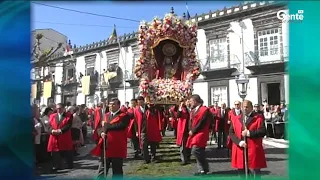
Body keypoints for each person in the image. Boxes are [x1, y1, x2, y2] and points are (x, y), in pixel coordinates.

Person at [91, 98, 130, 179]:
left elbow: (120, 126)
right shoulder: (106, 115)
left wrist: (106, 125)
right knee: (102, 169)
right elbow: (99, 128)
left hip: (117, 146)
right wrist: (101, 133)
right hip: (105, 146)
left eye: (113, 104)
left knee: (117, 170)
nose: (111, 106)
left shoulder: (124, 115)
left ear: (118, 105)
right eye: (110, 104)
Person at [229, 100, 267, 179]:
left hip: (253, 149)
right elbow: (231, 132)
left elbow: (262, 131)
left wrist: (249, 133)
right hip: (240, 149)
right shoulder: (237, 118)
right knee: (241, 174)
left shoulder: (258, 118)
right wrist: (239, 142)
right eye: (243, 107)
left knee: (254, 174)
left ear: (251, 108)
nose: (245, 109)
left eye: (247, 107)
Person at [131, 96, 162, 163]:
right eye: (138, 102)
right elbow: (135, 121)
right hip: (142, 129)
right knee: (144, 144)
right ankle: (146, 158)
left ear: (143, 101)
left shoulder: (149, 107)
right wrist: (136, 131)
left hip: (151, 128)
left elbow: (154, 113)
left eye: (141, 101)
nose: (140, 103)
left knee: (152, 143)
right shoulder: (136, 110)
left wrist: (150, 107)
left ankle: (153, 157)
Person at [186, 94, 211, 175]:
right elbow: (190, 121)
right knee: (200, 151)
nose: (190, 103)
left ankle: (205, 166)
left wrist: (193, 130)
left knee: (195, 150)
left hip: (201, 133)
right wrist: (190, 129)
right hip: (194, 133)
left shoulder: (204, 110)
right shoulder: (193, 110)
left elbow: (202, 123)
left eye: (191, 101)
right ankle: (202, 170)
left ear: (195, 101)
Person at [47, 103, 74, 171]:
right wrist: (52, 131)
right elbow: (49, 126)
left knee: (67, 151)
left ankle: (69, 164)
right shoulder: (52, 116)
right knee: (55, 152)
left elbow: (68, 125)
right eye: (57, 108)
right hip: (54, 136)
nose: (58, 110)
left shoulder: (69, 116)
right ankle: (56, 165)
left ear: (63, 108)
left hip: (64, 136)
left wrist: (60, 131)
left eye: (60, 108)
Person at [176, 100, 191, 165]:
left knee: (189, 145)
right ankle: (184, 160)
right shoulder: (182, 109)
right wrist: (180, 107)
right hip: (183, 129)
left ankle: (188, 157)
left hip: (189, 129)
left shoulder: (191, 109)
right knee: (182, 146)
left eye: (189, 101)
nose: (188, 102)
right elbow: (178, 115)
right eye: (187, 101)